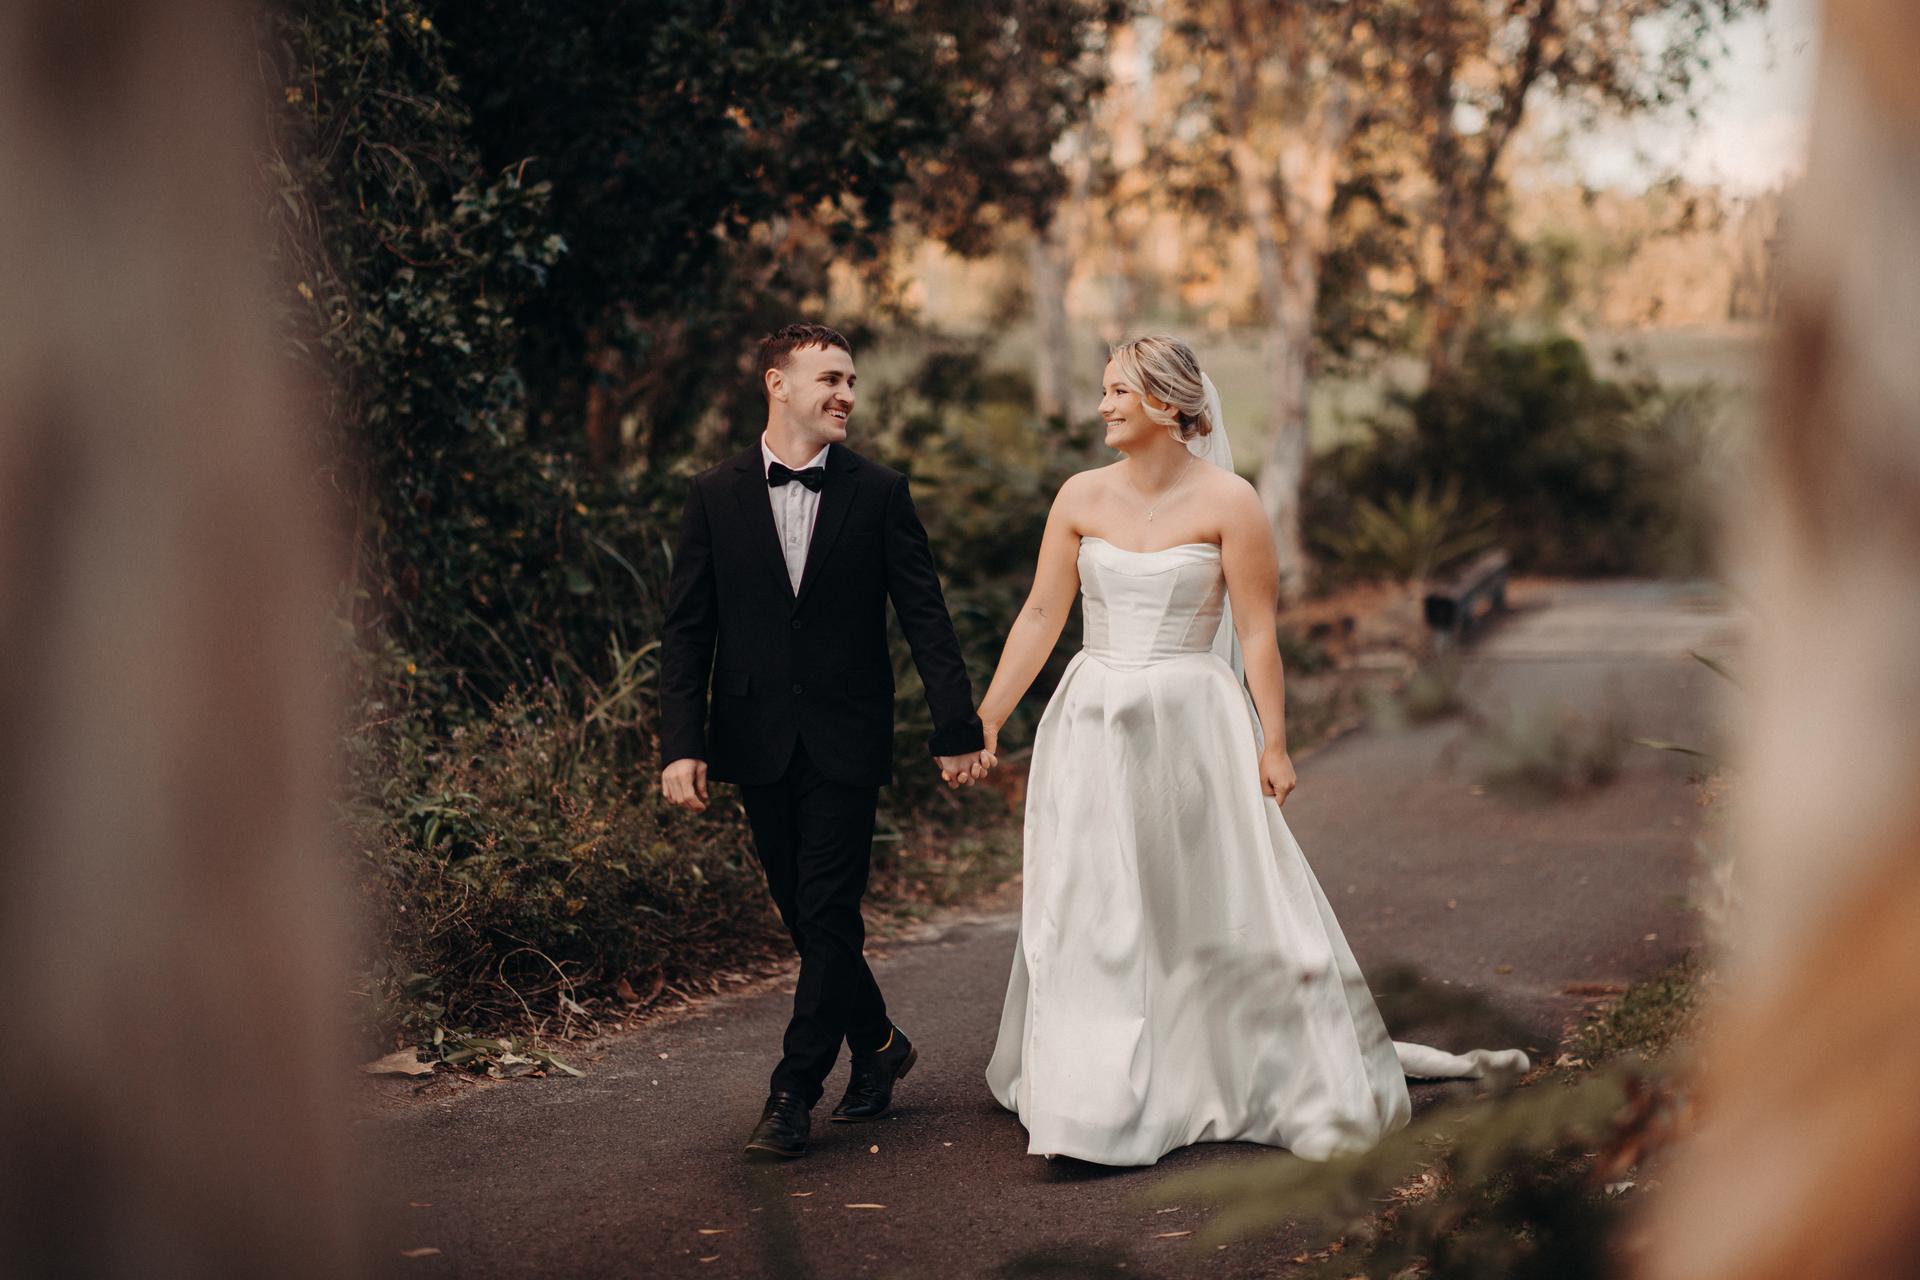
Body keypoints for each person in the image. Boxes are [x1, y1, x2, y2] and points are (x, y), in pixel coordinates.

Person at [978, 335, 1526, 1166]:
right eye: (1103, 391)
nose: (1102, 407)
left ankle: (1227, 1065)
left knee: (1205, 894)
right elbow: (1041, 618)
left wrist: (1274, 740)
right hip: (1092, 721)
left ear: (1166, 405)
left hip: (1196, 724)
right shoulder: (1079, 496)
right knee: (1095, 901)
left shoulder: (1231, 502)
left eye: (1117, 392)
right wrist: (986, 717)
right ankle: (1094, 1101)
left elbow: (1257, 632)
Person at [658, 323, 993, 1160]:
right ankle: (879, 1044)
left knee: (831, 909)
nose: (846, 394)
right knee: (807, 919)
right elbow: (687, 631)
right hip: (753, 737)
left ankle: (791, 1090)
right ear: (778, 382)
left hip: (848, 736)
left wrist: (957, 727)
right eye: (831, 379)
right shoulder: (714, 492)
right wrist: (680, 743)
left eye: (852, 382)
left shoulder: (878, 492)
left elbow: (925, 616)